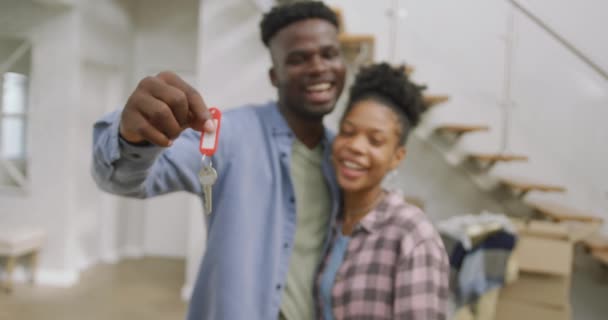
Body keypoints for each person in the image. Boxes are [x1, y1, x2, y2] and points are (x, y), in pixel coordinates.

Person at [91, 2, 345, 319]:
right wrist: (133, 139)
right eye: (298, 59)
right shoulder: (230, 134)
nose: (319, 67)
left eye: (329, 54)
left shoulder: (345, 158)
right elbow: (125, 179)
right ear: (274, 75)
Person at [314, 63, 449, 319]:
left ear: (397, 157)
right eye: (348, 132)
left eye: (375, 141)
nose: (355, 146)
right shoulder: (332, 221)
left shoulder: (412, 234)